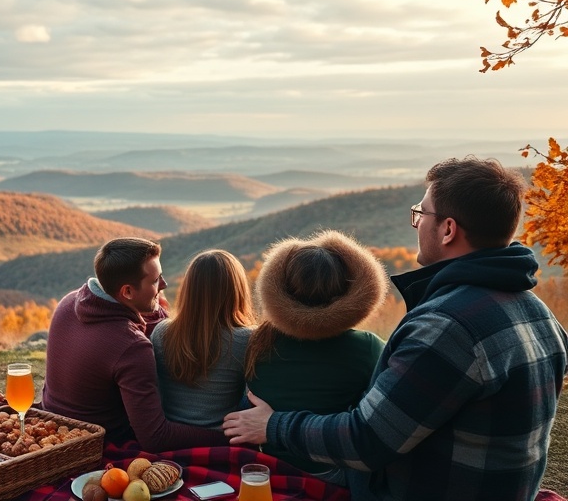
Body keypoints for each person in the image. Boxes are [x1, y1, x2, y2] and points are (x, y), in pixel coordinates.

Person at [223, 157, 568, 501]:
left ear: (448, 229)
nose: (415, 224)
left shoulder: (448, 328)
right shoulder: (539, 314)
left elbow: (366, 441)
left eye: (421, 214)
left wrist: (272, 425)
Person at [41, 237, 229, 452]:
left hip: (51, 424)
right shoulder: (132, 347)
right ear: (128, 292)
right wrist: (225, 437)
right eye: (156, 280)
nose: (164, 285)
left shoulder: (69, 301)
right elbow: (156, 437)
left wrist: (157, 310)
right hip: (94, 443)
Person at [243, 230, 387, 478]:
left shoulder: (257, 341)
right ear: (346, 290)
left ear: (282, 289)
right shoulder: (368, 348)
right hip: (331, 472)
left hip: (266, 471)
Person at [150, 249, 256, 429]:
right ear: (237, 290)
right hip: (222, 441)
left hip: (171, 438)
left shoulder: (162, 332)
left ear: (188, 289)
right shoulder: (248, 339)